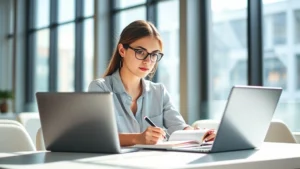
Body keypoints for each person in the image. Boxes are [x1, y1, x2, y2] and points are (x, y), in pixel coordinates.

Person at [88, 20, 215, 146]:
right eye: (140, 52)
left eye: (154, 55)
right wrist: (138, 139)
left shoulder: (159, 91)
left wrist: (200, 134)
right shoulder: (100, 88)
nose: (148, 61)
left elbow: (178, 127)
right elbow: (98, 136)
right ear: (122, 50)